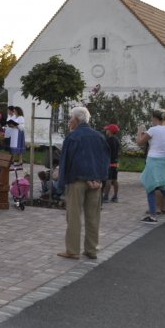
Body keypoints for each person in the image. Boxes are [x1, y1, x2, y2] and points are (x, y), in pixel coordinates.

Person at [54, 107, 111, 259]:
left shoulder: (72, 137)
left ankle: (73, 251)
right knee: (93, 217)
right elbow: (105, 160)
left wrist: (60, 186)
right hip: (96, 182)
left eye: (70, 118)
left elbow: (66, 161)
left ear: (77, 120)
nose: (69, 121)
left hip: (77, 181)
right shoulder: (99, 136)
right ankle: (92, 249)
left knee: (74, 217)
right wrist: (99, 179)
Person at [137, 109, 165, 225]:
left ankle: (153, 216)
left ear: (155, 118)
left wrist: (140, 132)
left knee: (150, 188)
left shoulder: (153, 129)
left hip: (153, 160)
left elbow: (140, 143)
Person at [102, 124, 121, 203]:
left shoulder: (107, 141)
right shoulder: (117, 140)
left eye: (107, 129)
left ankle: (106, 196)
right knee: (115, 179)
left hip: (109, 161)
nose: (106, 131)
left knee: (108, 180)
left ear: (110, 131)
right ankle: (115, 196)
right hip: (115, 161)